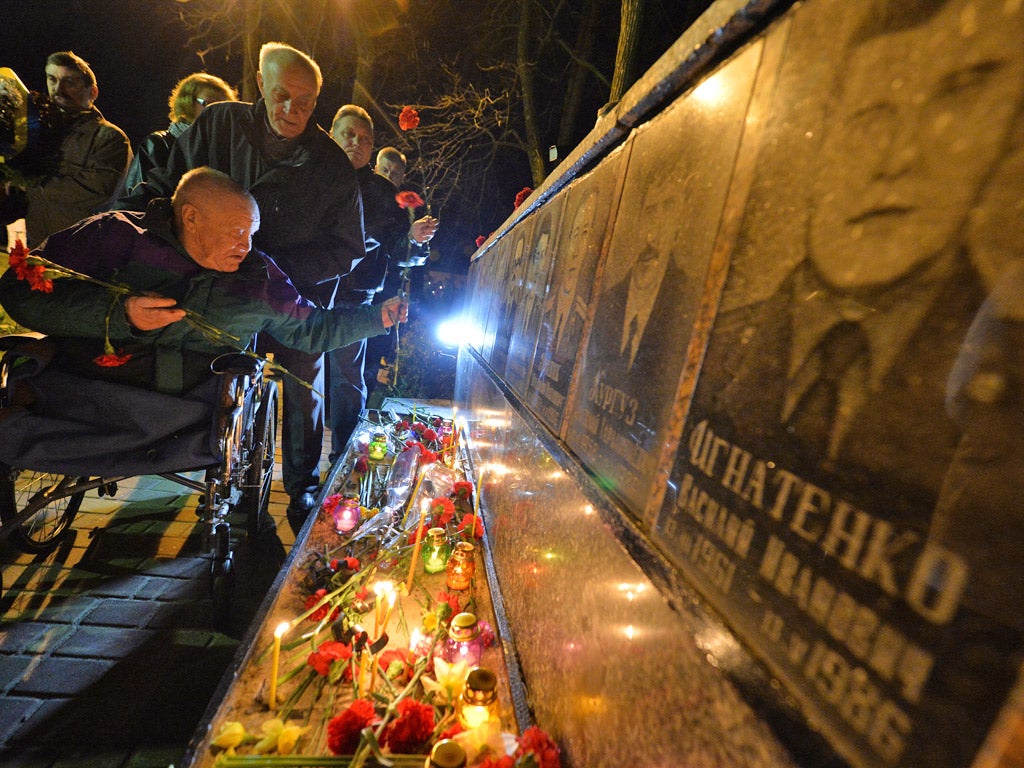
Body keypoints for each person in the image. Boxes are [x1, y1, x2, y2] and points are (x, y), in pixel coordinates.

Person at [0, 167, 406, 476]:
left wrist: (376, 317)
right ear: (191, 217)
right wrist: (118, 315)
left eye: (252, 233)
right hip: (89, 388)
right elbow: (21, 292)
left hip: (187, 416)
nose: (246, 246)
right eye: (236, 231)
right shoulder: (116, 238)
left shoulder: (259, 278)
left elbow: (310, 330)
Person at [116, 42, 367, 530]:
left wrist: (276, 271)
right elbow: (167, 187)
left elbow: (346, 247)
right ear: (260, 85)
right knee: (202, 361)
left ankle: (303, 485)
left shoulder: (331, 165)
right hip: (213, 281)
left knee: (301, 380)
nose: (292, 110)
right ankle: (196, 455)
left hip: (291, 293)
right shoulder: (218, 126)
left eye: (306, 101)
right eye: (281, 95)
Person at [328, 105, 438, 461]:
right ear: (332, 133)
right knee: (307, 387)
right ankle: (302, 482)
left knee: (349, 376)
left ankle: (341, 459)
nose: (355, 144)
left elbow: (396, 245)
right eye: (348, 135)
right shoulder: (315, 175)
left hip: (358, 297)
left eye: (364, 139)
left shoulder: (381, 197)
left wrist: (415, 239)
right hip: (309, 293)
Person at [0, 51, 131, 247]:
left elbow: (96, 190)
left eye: (70, 82)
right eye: (52, 79)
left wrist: (29, 182)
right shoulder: (34, 131)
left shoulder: (110, 138)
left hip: (78, 252)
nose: (58, 89)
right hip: (33, 248)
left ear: (92, 92)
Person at [123, 72, 237, 195]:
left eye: (223, 106)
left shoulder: (231, 150)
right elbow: (138, 196)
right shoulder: (159, 145)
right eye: (209, 104)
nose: (216, 111)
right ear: (187, 102)